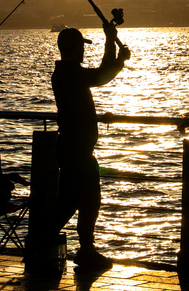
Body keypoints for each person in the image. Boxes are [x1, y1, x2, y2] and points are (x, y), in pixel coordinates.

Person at [45, 23, 130, 271]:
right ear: (75, 49)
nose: (83, 51)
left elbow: (101, 74)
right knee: (88, 200)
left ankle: (51, 242)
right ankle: (84, 250)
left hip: (72, 148)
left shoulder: (64, 73)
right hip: (77, 151)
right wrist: (110, 43)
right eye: (81, 47)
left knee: (70, 201)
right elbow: (102, 75)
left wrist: (116, 58)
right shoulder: (70, 74)